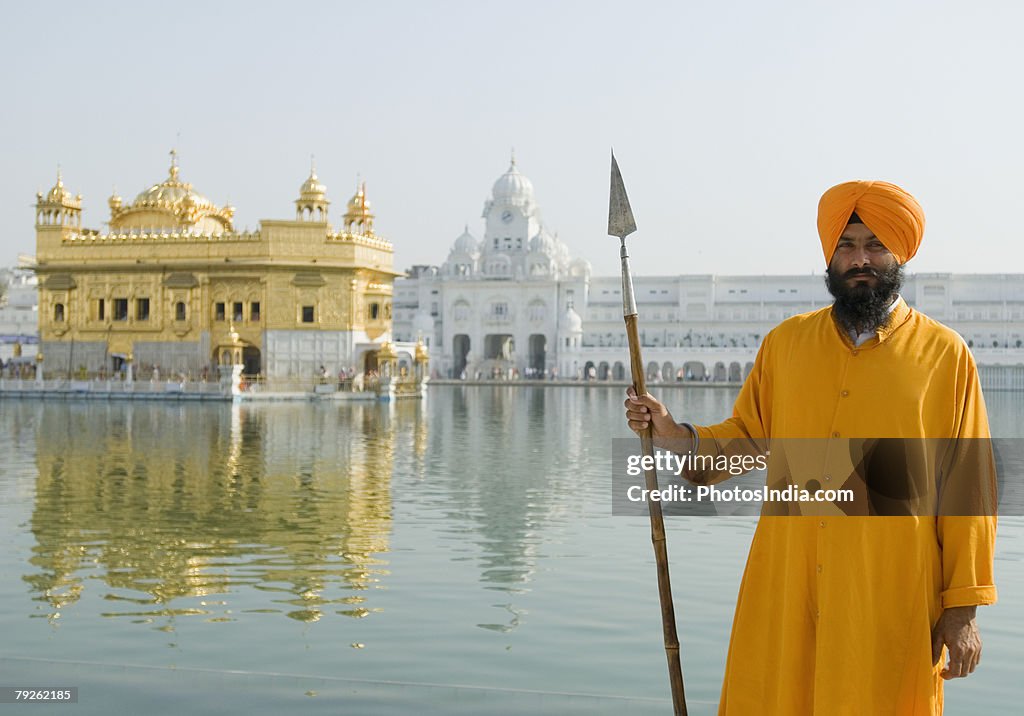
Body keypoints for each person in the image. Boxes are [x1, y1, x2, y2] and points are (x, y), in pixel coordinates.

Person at [624, 180, 996, 715]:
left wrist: (962, 609)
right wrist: (675, 435)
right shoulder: (788, 343)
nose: (859, 258)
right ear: (830, 255)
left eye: (874, 244)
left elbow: (969, 488)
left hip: (886, 590)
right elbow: (748, 438)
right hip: (787, 585)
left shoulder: (944, 356)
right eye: (846, 245)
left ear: (899, 253)